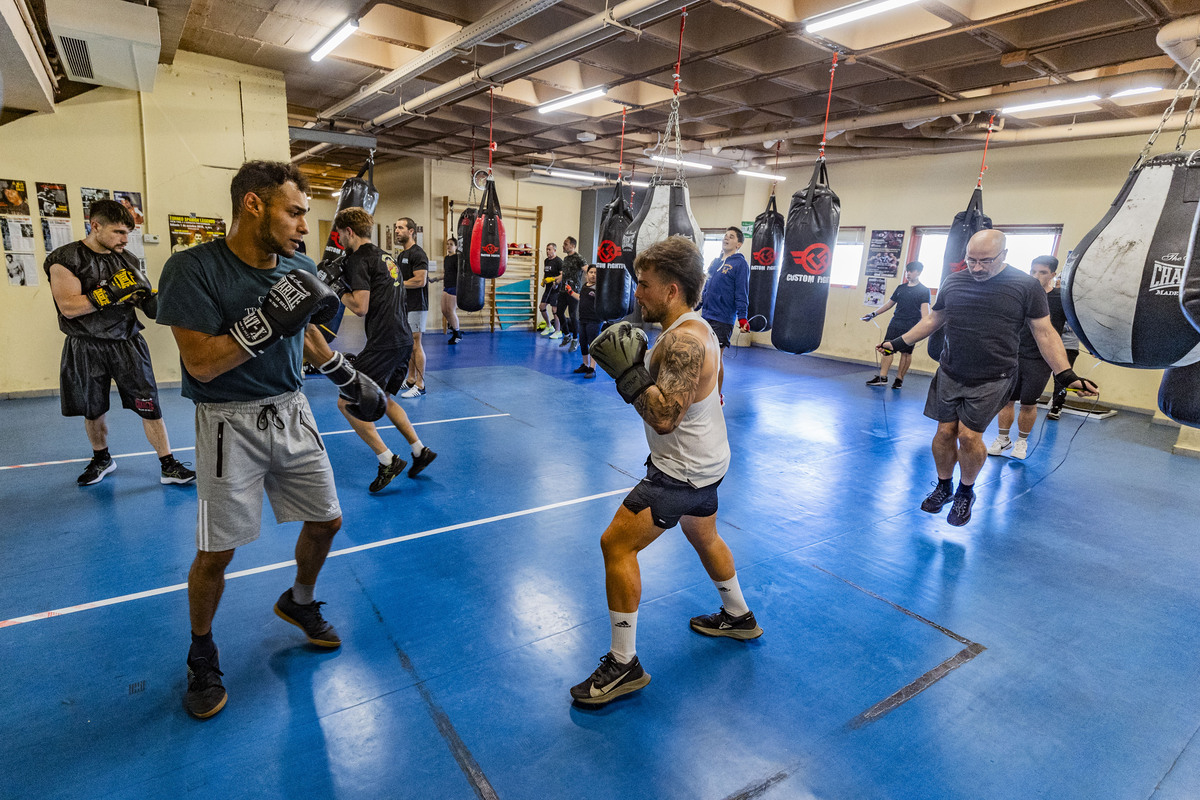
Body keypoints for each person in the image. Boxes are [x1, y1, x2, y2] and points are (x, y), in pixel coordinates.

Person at [157, 160, 386, 720]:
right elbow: (203, 364)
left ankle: (299, 601)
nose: (306, 225)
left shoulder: (299, 266)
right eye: (295, 212)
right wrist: (262, 323)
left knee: (328, 519)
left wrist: (346, 375)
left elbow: (304, 332)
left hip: (291, 410)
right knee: (218, 550)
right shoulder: (192, 269)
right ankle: (202, 652)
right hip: (226, 420)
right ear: (252, 205)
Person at [572, 235, 761, 706]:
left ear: (672, 289)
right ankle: (738, 616)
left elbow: (663, 416)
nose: (637, 292)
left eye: (645, 284)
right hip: (710, 459)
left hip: (683, 471)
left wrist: (628, 374)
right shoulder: (700, 329)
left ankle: (623, 664)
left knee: (615, 543)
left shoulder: (684, 342)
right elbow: (712, 392)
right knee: (704, 535)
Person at [878, 230, 1097, 527]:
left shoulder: (1026, 286)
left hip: (994, 375)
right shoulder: (954, 280)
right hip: (951, 369)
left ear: (1004, 255)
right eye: (971, 260)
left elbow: (1044, 332)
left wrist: (1065, 374)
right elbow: (935, 318)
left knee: (969, 436)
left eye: (986, 261)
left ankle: (965, 492)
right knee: (944, 433)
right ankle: (944, 485)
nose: (977, 267)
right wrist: (899, 342)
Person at [44, 198, 195, 487]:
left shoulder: (127, 259)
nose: (125, 239)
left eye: (128, 233)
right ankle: (101, 459)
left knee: (149, 403)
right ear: (95, 225)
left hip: (127, 340)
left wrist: (154, 300)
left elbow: (142, 301)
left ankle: (168, 464)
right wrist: (109, 293)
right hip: (85, 344)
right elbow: (68, 307)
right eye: (118, 232)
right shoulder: (65, 259)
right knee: (94, 407)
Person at [329, 207, 437, 491]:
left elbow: (360, 307)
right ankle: (419, 451)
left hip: (384, 343)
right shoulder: (386, 256)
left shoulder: (358, 260)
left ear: (349, 231)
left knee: (346, 401)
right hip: (402, 340)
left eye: (340, 234)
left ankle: (387, 459)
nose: (340, 239)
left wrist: (337, 288)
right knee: (385, 398)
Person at [987, 256, 1068, 458]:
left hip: (1040, 359)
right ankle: (1003, 439)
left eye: (1042, 272)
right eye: (1033, 271)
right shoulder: (1022, 293)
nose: (1035, 276)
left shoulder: (1061, 299)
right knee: (1006, 400)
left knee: (1028, 403)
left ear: (1053, 275)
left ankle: (1021, 442)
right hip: (1013, 354)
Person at [699, 226, 750, 395]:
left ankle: (717, 396)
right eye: (725, 236)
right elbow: (707, 287)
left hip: (723, 318)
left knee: (715, 358)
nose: (726, 238)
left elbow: (741, 292)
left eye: (731, 237)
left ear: (739, 244)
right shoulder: (716, 262)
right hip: (706, 315)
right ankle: (702, 394)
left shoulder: (740, 264)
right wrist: (696, 306)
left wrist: (742, 318)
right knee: (703, 357)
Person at [863, 261, 929, 389]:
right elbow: (889, 304)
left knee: (906, 353)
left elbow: (925, 312)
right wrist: (873, 314)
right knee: (887, 349)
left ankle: (899, 379)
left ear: (919, 272)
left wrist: (926, 326)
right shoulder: (900, 288)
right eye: (907, 271)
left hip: (911, 326)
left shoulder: (924, 291)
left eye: (911, 271)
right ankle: (883, 377)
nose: (908, 273)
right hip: (895, 323)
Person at [395, 217, 430, 397]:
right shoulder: (401, 255)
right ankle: (410, 379)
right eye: (396, 227)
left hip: (417, 305)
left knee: (416, 343)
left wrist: (397, 285)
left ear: (411, 231)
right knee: (409, 343)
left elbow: (420, 280)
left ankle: (420, 384)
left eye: (401, 227)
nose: (397, 231)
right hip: (405, 305)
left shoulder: (418, 254)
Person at [569, 264, 602, 378]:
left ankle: (593, 368)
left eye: (596, 273)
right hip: (582, 318)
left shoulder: (599, 288)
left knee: (592, 344)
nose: (593, 275)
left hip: (594, 319)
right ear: (587, 274)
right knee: (583, 342)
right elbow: (581, 298)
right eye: (591, 272)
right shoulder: (584, 286)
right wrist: (570, 292)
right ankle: (585, 364)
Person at [557, 236, 585, 351]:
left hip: (573, 292)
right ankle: (567, 335)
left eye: (566, 244)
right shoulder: (566, 259)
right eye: (564, 243)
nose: (563, 246)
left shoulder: (579, 258)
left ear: (572, 246)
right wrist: (556, 281)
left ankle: (575, 339)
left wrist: (591, 283)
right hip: (563, 290)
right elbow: (564, 275)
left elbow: (587, 269)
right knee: (559, 312)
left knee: (573, 315)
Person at [441, 236, 463, 344]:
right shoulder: (446, 258)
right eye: (447, 244)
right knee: (444, 310)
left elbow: (460, 274)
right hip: (447, 285)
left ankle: (457, 333)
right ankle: (453, 328)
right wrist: (435, 279)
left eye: (451, 244)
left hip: (454, 286)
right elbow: (446, 273)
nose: (448, 246)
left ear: (456, 246)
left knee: (450, 310)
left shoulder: (457, 258)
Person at [540, 242, 563, 337]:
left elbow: (562, 275)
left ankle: (558, 331)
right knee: (542, 306)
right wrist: (544, 280)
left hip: (556, 288)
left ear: (554, 250)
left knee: (555, 309)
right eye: (547, 249)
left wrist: (553, 279)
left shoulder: (558, 261)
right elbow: (546, 273)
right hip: (548, 288)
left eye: (549, 249)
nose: (547, 251)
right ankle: (549, 326)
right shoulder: (546, 261)